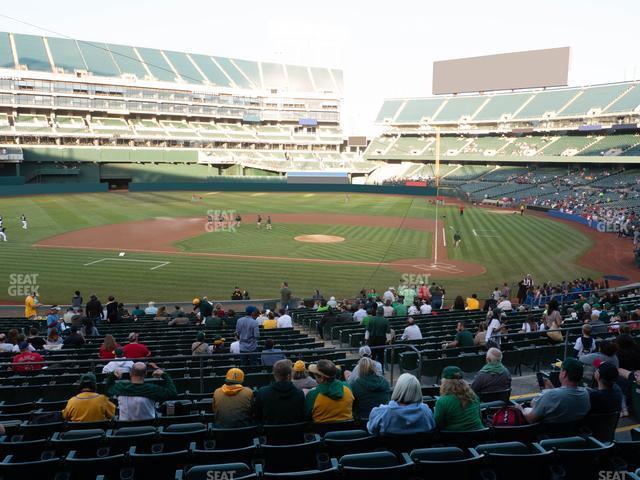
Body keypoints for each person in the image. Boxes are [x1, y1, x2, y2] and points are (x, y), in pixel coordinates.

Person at [517, 358, 590, 424]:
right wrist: (551, 389)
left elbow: (530, 419)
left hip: (549, 436)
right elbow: (564, 397)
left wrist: (520, 410)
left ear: (564, 374)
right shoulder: (585, 393)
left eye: (561, 370)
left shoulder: (551, 395)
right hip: (575, 436)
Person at [367, 373, 436, 435]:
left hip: (390, 448)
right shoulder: (426, 412)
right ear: (417, 391)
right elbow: (432, 427)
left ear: (397, 389)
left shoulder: (381, 413)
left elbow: (371, 430)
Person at [106, 362, 177, 421]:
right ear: (145, 374)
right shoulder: (152, 388)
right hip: (149, 429)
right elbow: (172, 393)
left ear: (130, 373)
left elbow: (107, 388)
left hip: (125, 430)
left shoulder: (120, 387)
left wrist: (112, 376)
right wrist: (164, 375)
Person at [255, 360, 305, 424]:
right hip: (294, 432)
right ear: (289, 375)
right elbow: (302, 415)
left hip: (270, 432)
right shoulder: (299, 393)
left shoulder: (262, 392)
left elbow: (257, 416)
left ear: (274, 374)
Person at [434, 366, 483, 431]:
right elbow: (480, 417)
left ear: (444, 382)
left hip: (453, 438)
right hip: (478, 436)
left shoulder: (442, 402)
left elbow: (438, 424)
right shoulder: (474, 397)